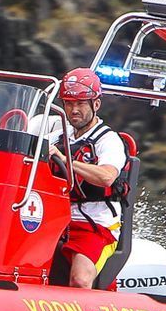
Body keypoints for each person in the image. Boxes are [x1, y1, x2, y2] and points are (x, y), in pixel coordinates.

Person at [41, 68, 130, 288]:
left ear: (96, 104)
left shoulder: (108, 141)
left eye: (81, 104)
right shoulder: (57, 136)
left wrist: (65, 159)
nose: (74, 110)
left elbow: (107, 177)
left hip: (95, 224)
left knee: (79, 280)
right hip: (54, 221)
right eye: (69, 103)